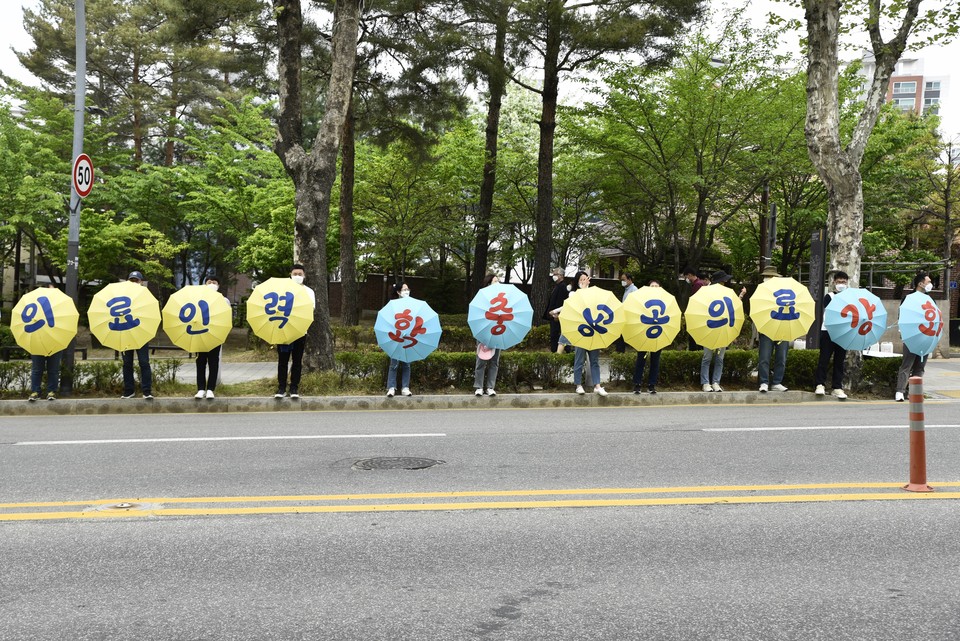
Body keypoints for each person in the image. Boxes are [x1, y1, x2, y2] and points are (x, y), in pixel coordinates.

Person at [700, 270, 746, 392]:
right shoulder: (706, 293)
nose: (724, 283)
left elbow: (733, 308)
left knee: (719, 358)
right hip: (709, 329)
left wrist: (740, 296)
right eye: (722, 281)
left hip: (723, 329)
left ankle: (716, 382)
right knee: (707, 357)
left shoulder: (727, 293)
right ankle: (705, 383)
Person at [275, 263, 316, 399]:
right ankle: (281, 388)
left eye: (300, 274)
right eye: (295, 274)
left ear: (304, 276)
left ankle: (294, 388)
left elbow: (311, 309)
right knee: (282, 360)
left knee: (297, 361)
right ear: (290, 275)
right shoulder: (282, 290)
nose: (297, 276)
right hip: (283, 330)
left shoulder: (309, 292)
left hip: (300, 331)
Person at [895, 272, 933, 402]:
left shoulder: (929, 299)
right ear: (920, 283)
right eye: (928, 282)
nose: (930, 284)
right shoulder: (909, 298)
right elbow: (902, 315)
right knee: (907, 364)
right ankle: (900, 391)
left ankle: (914, 392)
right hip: (912, 336)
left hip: (926, 336)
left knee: (920, 366)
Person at [570, 270, 608, 397]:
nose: (583, 281)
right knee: (579, 360)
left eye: (585, 279)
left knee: (594, 360)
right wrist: (583, 289)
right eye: (581, 279)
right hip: (581, 331)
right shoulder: (573, 294)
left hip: (593, 330)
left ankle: (597, 386)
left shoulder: (593, 294)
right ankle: (578, 385)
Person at [814, 271, 849, 399]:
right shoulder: (829, 296)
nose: (841, 284)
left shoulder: (851, 298)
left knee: (839, 361)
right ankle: (819, 384)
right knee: (824, 358)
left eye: (844, 282)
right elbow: (832, 311)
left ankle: (837, 387)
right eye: (839, 282)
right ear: (834, 282)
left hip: (844, 333)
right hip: (828, 331)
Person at [194, 275, 230, 400]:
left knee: (213, 362)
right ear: (205, 284)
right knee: (201, 362)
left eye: (214, 282)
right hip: (200, 334)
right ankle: (200, 389)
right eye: (209, 282)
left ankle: (210, 389)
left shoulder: (224, 300)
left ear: (218, 286)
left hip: (215, 335)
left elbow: (227, 318)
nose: (212, 284)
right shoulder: (198, 299)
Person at [120, 271, 153, 400]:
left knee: (144, 362)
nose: (134, 283)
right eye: (131, 280)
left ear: (141, 282)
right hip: (125, 332)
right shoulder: (121, 296)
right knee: (127, 363)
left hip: (141, 333)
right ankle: (129, 390)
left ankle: (147, 391)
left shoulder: (146, 296)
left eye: (136, 280)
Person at [757, 265, 790, 393]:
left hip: (783, 326)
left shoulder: (785, 291)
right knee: (764, 357)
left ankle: (777, 382)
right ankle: (764, 382)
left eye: (771, 276)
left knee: (781, 357)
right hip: (767, 327)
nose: (768, 279)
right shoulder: (760, 291)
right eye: (766, 277)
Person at [27, 285, 63, 401]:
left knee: (53, 369)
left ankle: (51, 391)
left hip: (55, 342)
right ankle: (35, 391)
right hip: (38, 341)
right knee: (37, 369)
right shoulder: (34, 307)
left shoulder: (59, 308)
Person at [633, 279, 663, 394]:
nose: (654, 288)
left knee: (655, 361)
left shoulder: (664, 300)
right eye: (652, 286)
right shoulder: (642, 299)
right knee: (641, 359)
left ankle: (652, 384)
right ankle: (637, 384)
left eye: (656, 286)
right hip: (644, 334)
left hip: (658, 334)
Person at [474, 273, 502, 396]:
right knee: (481, 359)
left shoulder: (503, 299)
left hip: (498, 331)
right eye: (495, 281)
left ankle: (490, 386)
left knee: (494, 361)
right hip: (483, 331)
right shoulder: (482, 296)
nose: (497, 283)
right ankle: (479, 386)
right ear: (488, 283)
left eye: (498, 281)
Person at [386, 281, 414, 397]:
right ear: (398, 292)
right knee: (394, 364)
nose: (406, 291)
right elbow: (389, 321)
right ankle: (391, 387)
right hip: (396, 338)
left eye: (407, 289)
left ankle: (405, 387)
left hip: (408, 338)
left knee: (407, 364)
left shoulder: (413, 305)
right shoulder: (392, 305)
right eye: (404, 290)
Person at [544, 267, 570, 353]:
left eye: (556, 274)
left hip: (557, 316)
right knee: (555, 335)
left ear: (561, 276)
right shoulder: (558, 286)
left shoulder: (562, 287)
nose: (554, 276)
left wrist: (557, 314)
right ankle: (558, 351)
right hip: (553, 314)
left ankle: (558, 351)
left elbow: (561, 302)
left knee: (556, 335)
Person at [614, 272, 638, 353]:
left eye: (624, 280)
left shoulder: (634, 289)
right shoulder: (627, 290)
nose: (622, 282)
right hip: (624, 316)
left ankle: (620, 353)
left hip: (629, 317)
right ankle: (619, 353)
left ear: (629, 280)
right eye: (622, 280)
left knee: (622, 337)